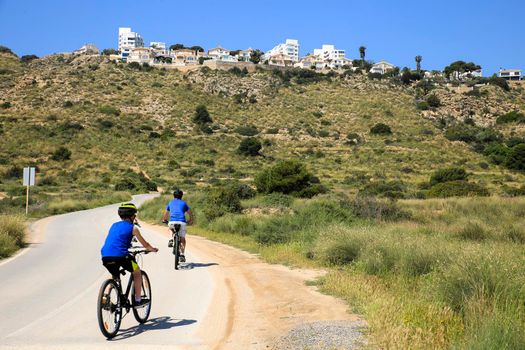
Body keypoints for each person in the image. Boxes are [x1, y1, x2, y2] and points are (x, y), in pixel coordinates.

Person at [101, 202, 158, 307]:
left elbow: (116, 240)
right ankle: (138, 300)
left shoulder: (114, 225)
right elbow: (146, 245)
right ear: (132, 216)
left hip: (105, 256)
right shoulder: (133, 228)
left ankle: (106, 295)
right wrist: (152, 249)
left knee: (115, 274)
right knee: (137, 271)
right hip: (121, 256)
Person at [162, 189, 193, 262]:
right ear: (181, 196)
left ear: (174, 196)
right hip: (182, 222)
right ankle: (182, 254)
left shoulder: (170, 202)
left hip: (172, 221)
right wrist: (191, 220)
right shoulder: (184, 203)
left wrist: (164, 219)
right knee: (182, 239)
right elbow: (190, 213)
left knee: (170, 228)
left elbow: (166, 213)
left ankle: (171, 240)